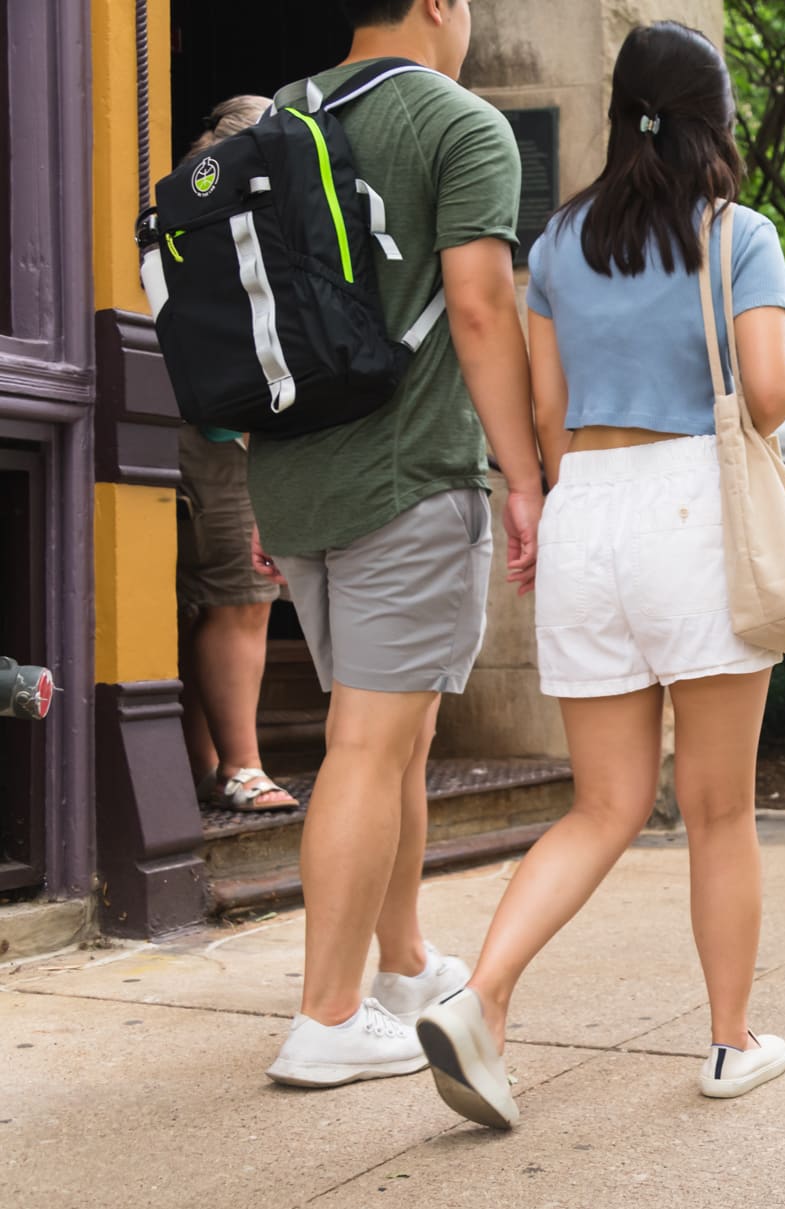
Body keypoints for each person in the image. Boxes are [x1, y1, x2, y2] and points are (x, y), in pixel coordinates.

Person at [413, 20, 785, 1130]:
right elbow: (766, 398)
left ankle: (479, 996)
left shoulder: (560, 245)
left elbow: (541, 412)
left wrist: (532, 500)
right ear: (713, 116)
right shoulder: (738, 234)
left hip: (587, 510)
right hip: (692, 511)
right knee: (717, 810)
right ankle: (729, 1043)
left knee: (602, 803)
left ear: (621, 110)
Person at [254, 0, 543, 1088]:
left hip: (298, 483)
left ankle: (405, 964)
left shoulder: (278, 115)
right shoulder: (460, 125)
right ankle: (326, 1018)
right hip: (407, 476)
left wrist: (260, 488)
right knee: (368, 747)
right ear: (436, 2)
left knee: (398, 735)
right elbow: (478, 308)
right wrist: (521, 475)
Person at [175, 95, 297, 816]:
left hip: (201, 431)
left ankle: (212, 765)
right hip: (229, 438)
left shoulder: (183, 220)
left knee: (206, 607)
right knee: (241, 602)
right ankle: (243, 767)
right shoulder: (236, 224)